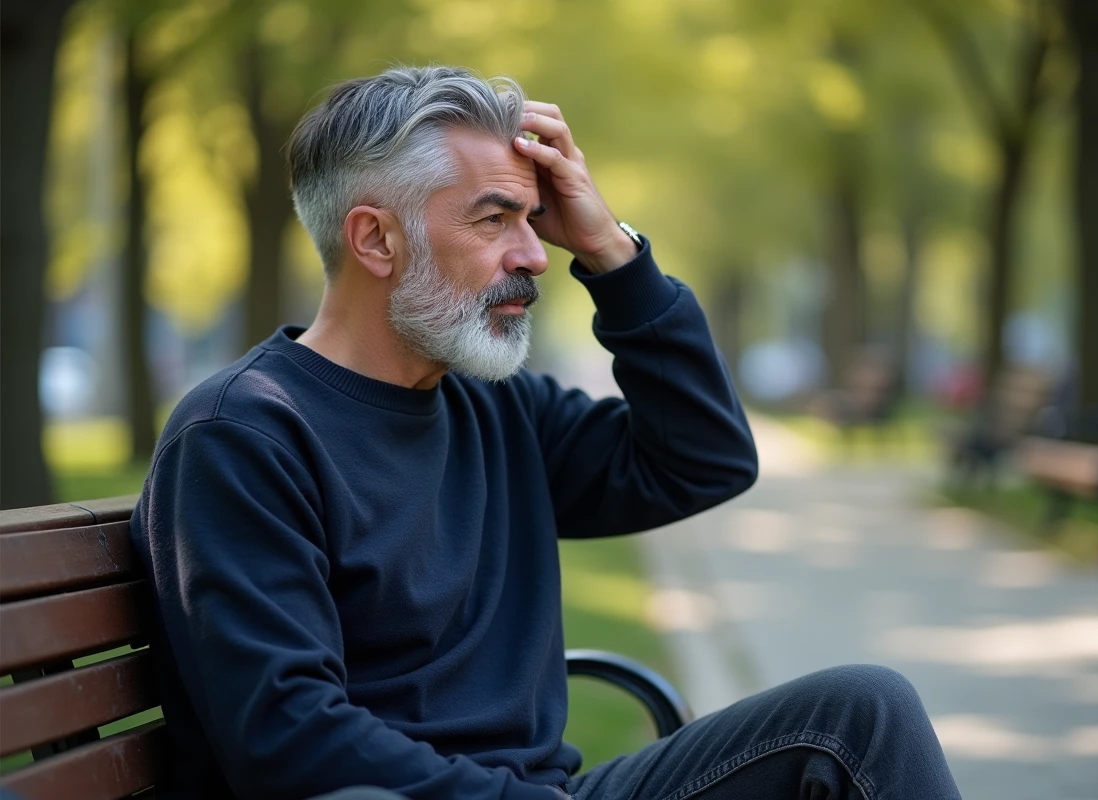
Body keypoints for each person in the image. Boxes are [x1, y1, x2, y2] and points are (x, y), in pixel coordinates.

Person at [130, 65, 961, 800]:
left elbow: (702, 461)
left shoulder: (495, 407)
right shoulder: (243, 435)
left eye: (537, 219)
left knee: (863, 712)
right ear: (376, 239)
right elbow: (290, 740)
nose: (536, 254)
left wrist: (612, 253)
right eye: (496, 220)